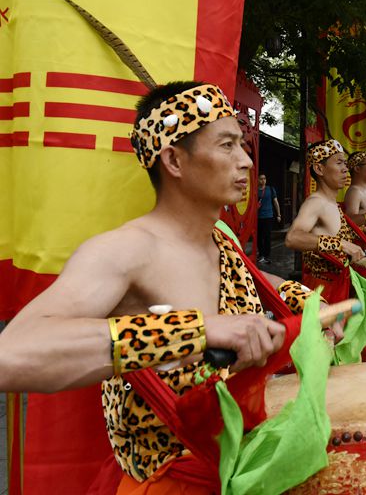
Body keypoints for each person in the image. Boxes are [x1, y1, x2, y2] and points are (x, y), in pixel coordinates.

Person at [0, 82, 336, 491]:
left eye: (242, 146)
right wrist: (193, 331)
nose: (246, 161)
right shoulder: (125, 250)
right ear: (174, 160)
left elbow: (265, 283)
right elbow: (13, 352)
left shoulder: (221, 241)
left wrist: (311, 305)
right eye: (227, 146)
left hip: (245, 474)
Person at [286, 140, 366, 298]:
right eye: (339, 163)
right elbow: (292, 238)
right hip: (324, 292)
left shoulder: (330, 202)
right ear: (319, 168)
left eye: (345, 163)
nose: (345, 169)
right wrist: (341, 244)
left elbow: (333, 231)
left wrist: (363, 230)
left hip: (339, 285)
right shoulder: (316, 202)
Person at [256, 172, 281, 264]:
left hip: (268, 216)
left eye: (264, 178)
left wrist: (279, 214)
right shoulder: (255, 190)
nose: (263, 180)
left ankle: (266, 256)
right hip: (257, 217)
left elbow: (275, 202)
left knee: (267, 236)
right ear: (257, 179)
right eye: (261, 178)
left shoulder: (270, 189)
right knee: (259, 237)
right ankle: (261, 254)